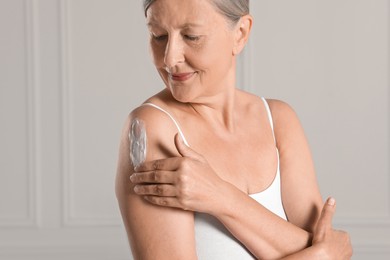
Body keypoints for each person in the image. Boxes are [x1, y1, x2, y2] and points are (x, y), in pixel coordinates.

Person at [115, 0, 353, 259]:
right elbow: (323, 252)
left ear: (240, 33)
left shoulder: (279, 120)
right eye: (158, 35)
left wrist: (221, 196)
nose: (170, 58)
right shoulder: (152, 128)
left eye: (191, 36)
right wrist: (318, 256)